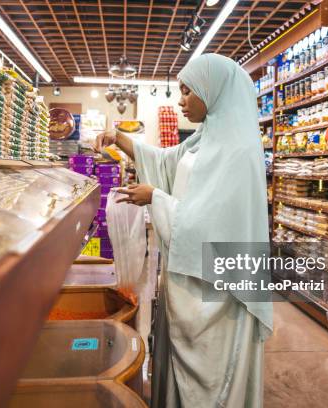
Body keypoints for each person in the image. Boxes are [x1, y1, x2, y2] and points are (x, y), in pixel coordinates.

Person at [94, 53, 272, 408]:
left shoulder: (237, 153)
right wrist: (118, 138)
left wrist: (156, 198)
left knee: (213, 382)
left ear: (214, 90)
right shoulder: (205, 140)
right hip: (188, 279)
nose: (180, 100)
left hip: (216, 295)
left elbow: (213, 228)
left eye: (188, 91)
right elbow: (166, 162)